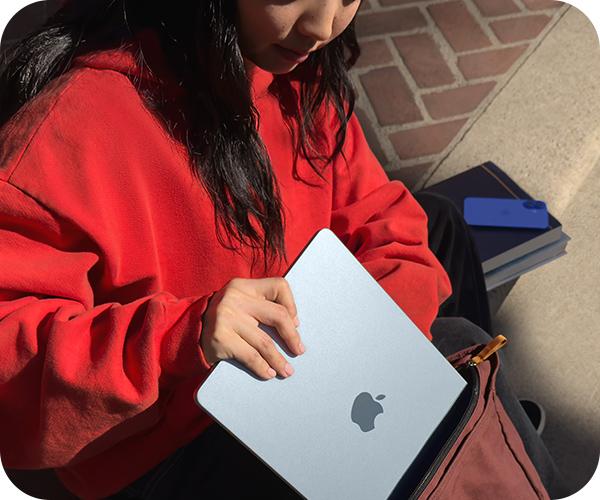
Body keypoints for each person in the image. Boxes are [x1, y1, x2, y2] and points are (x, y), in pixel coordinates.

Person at [0, 1, 565, 498]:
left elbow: (382, 217)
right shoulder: (67, 134)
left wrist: (377, 353)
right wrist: (179, 337)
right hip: (165, 442)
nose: (322, 25)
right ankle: (476, 440)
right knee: (459, 343)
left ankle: (472, 433)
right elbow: (14, 367)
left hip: (295, 366)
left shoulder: (295, 77)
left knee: (443, 232)